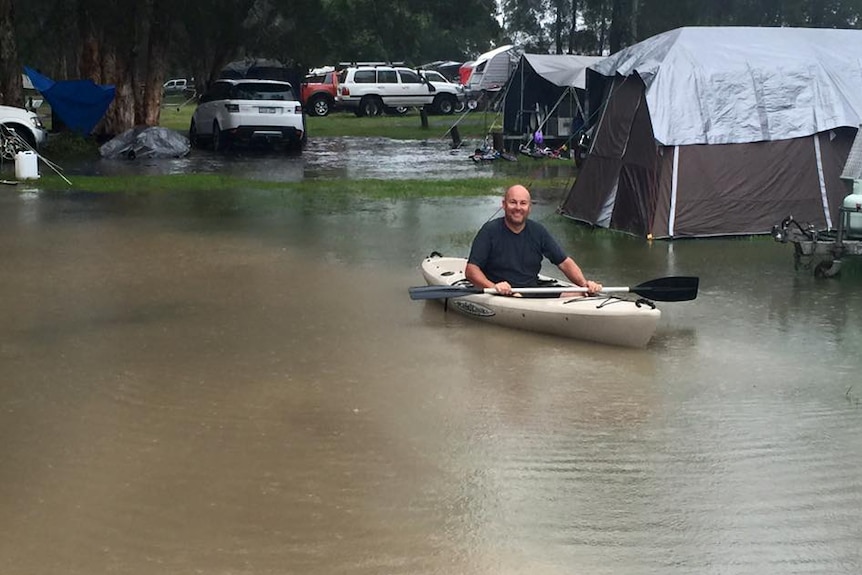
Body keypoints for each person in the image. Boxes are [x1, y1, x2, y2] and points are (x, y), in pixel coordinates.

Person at [465, 184, 603, 297]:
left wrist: (585, 285)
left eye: (523, 203)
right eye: (513, 202)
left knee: (580, 294)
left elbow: (564, 263)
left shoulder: (538, 231)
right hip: (499, 291)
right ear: (504, 204)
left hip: (531, 290)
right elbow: (471, 270)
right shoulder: (489, 231)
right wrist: (494, 287)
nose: (518, 208)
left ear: (529, 207)